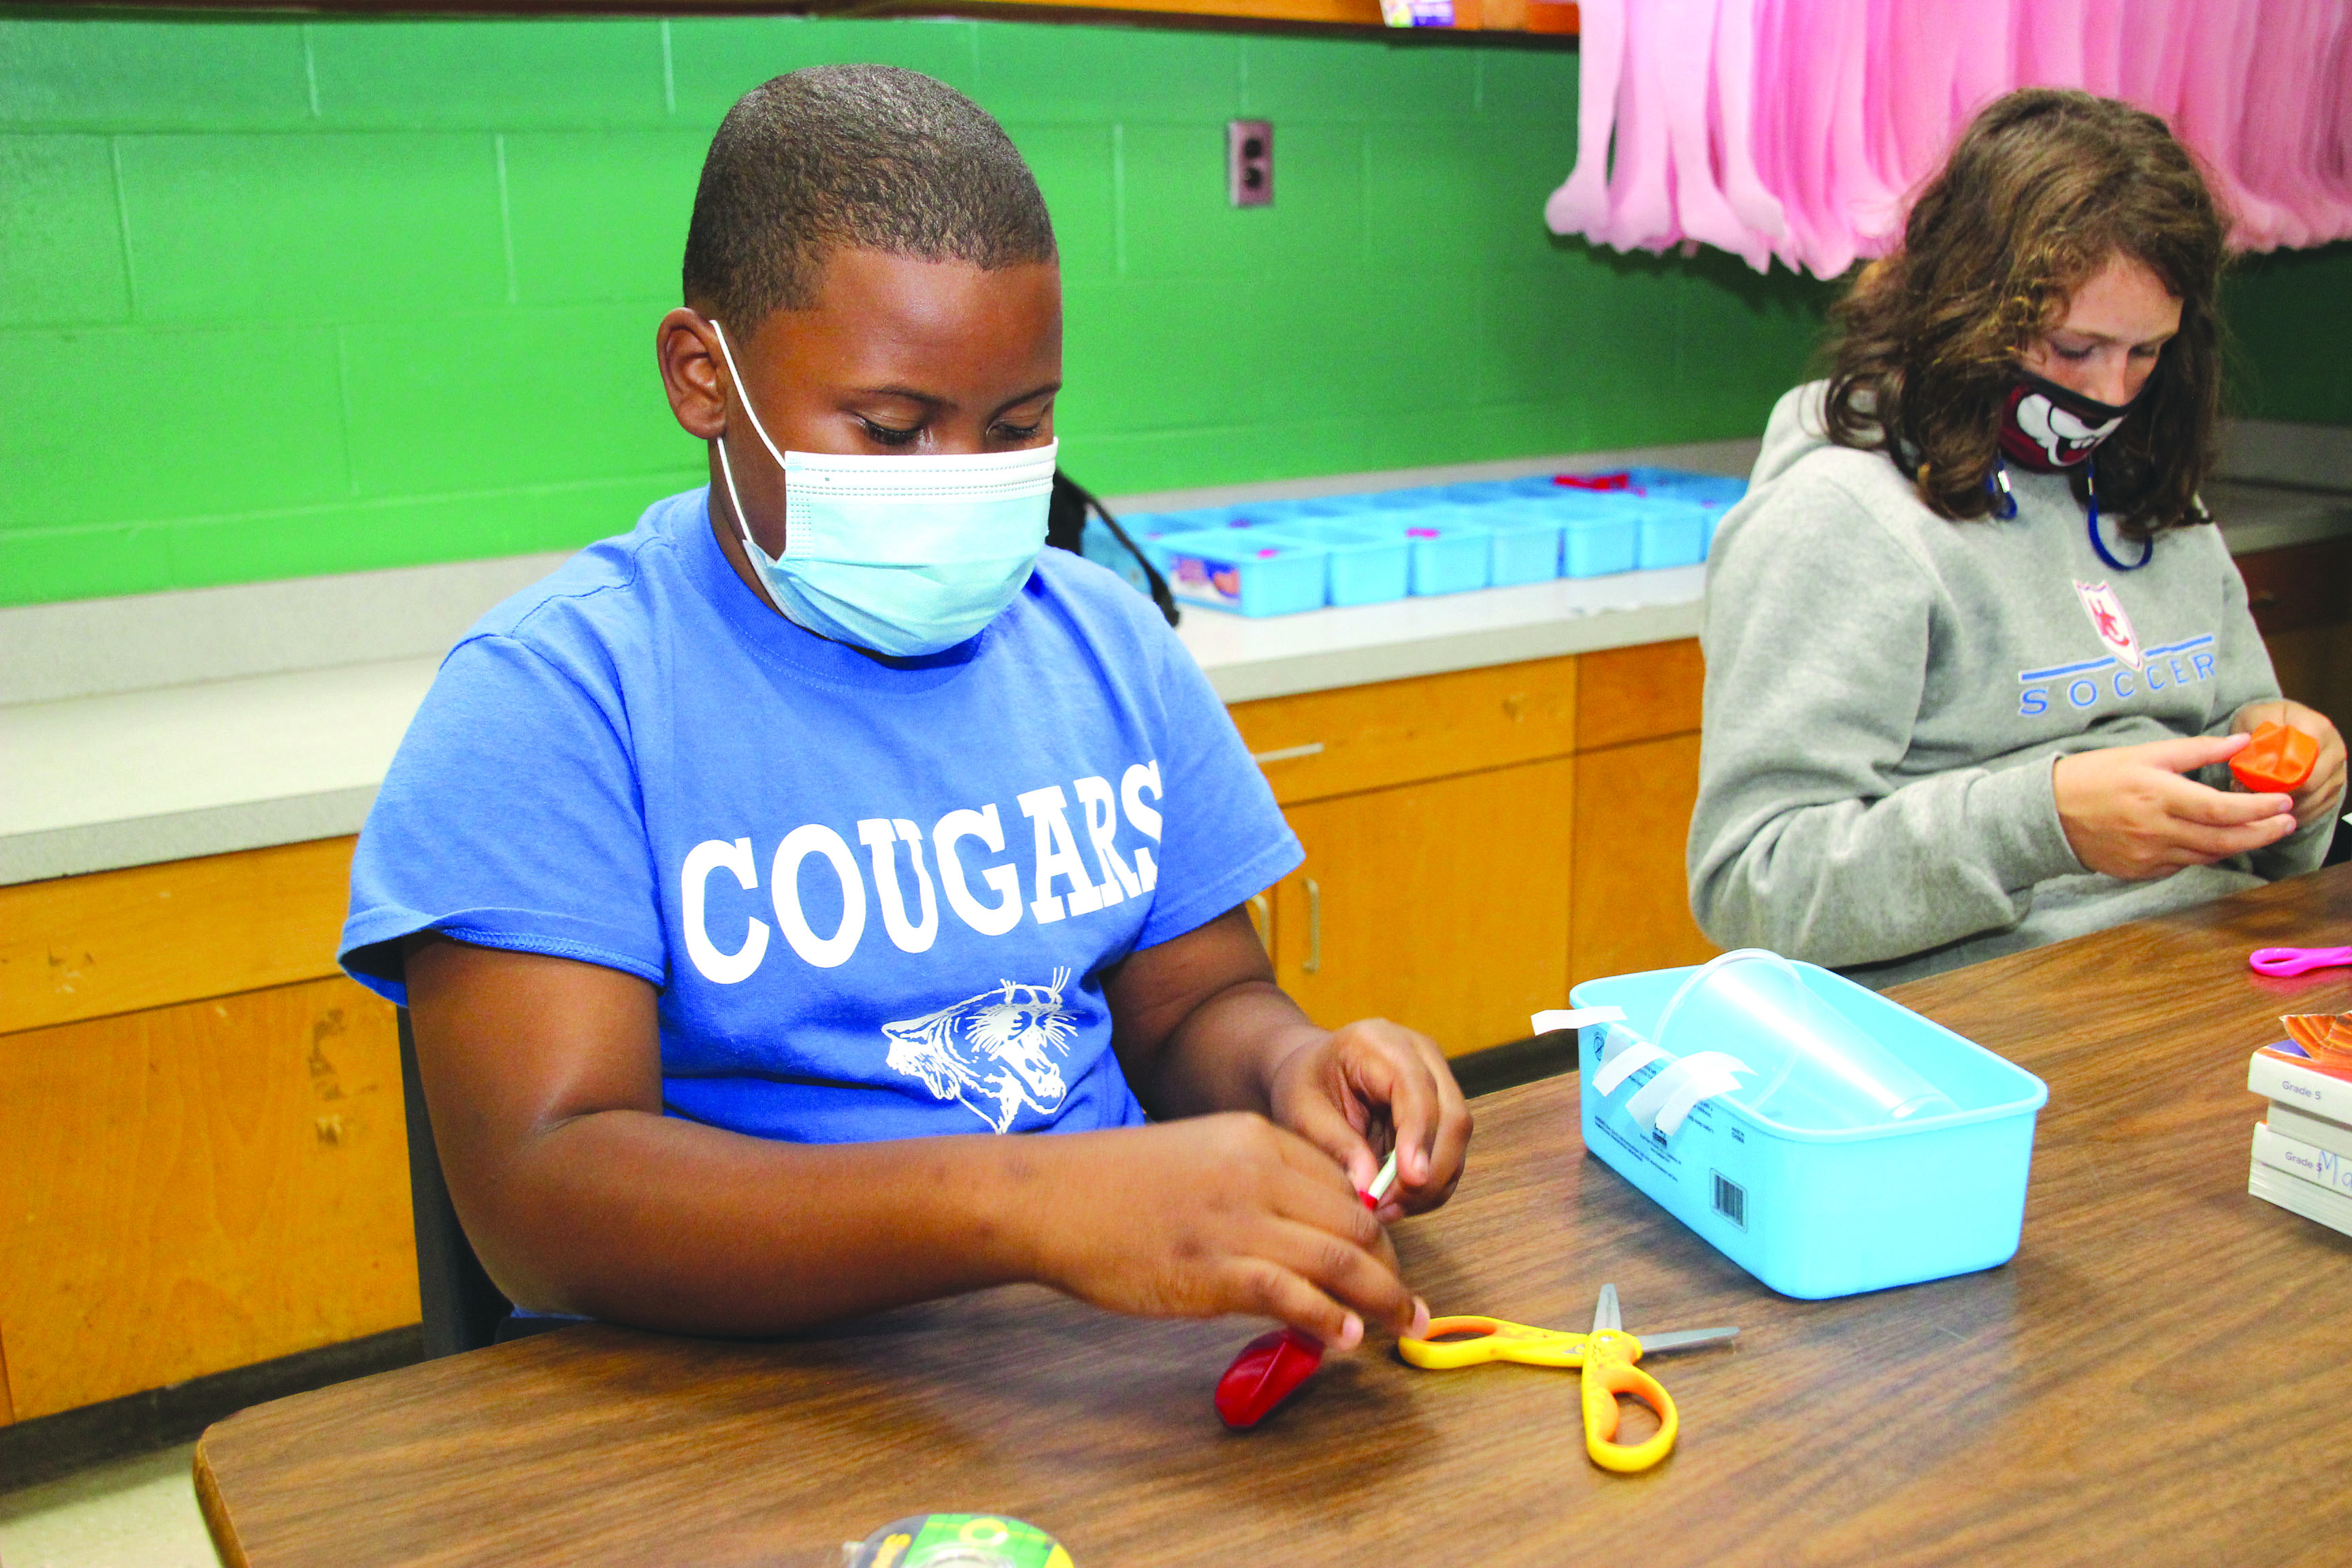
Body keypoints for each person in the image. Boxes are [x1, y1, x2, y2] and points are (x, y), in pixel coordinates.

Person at [339, 66, 1468, 1348]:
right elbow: (542, 1199)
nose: (964, 487)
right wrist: (1024, 1206)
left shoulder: (1098, 638)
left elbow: (1196, 1007)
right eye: (890, 428)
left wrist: (1288, 1070)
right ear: (704, 378)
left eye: (1017, 428)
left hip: (1101, 1354)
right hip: (726, 1395)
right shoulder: (557, 700)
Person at [1690, 88, 2345, 987]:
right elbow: (1753, 885)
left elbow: (2262, 832)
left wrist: (2296, 782)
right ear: (1967, 313)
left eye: (2147, 353)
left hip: (2203, 971)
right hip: (1989, 1022)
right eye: (2074, 350)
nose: (2113, 395)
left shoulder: (2146, 486)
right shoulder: (1841, 519)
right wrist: (2047, 823)